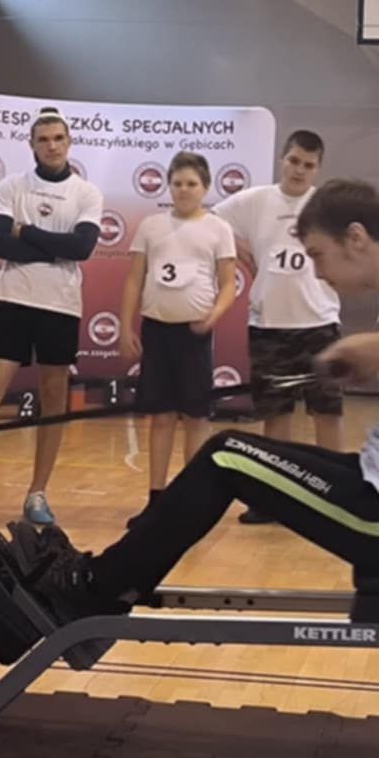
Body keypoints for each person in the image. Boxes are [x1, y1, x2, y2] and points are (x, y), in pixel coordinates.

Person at [24, 178, 379, 620]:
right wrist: (368, 358)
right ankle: (105, 580)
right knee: (232, 453)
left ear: (356, 237)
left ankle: (97, 589)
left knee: (226, 457)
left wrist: (353, 349)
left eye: (318, 255)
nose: (318, 272)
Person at [0, 109, 104, 524]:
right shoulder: (12, 186)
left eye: (58, 138)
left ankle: (37, 494)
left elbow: (81, 249)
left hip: (61, 306)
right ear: (32, 145)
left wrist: (25, 232)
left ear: (69, 142)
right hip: (13, 302)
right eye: (43, 139)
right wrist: (53, 247)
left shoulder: (86, 193)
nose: (51, 145)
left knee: (54, 400)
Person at [214, 130, 345, 522]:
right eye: (294, 161)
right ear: (282, 160)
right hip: (269, 324)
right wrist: (240, 249)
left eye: (308, 165)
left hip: (319, 322)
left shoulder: (328, 206)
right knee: (276, 413)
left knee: (327, 412)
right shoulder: (256, 200)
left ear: (318, 168)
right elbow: (212, 220)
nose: (299, 170)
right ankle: (274, 499)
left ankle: (336, 498)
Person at [118, 151, 237, 504]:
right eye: (177, 183)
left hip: (194, 335)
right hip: (157, 331)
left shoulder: (218, 229)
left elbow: (228, 284)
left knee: (197, 416)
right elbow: (134, 280)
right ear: (169, 185)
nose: (184, 190)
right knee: (161, 416)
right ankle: (157, 495)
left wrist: (213, 316)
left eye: (191, 184)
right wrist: (125, 326)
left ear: (205, 187)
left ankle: (191, 496)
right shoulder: (151, 226)